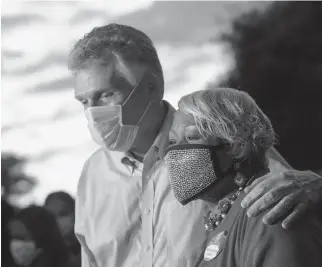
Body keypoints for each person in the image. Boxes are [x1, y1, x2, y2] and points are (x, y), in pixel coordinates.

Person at [68, 23, 322, 267]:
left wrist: (317, 185)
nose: (92, 112)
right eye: (83, 101)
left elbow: (294, 198)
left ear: (152, 88)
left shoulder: (218, 144)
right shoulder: (92, 176)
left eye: (106, 94)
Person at [164, 87, 322, 267]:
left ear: (236, 143)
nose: (176, 153)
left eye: (191, 137)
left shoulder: (270, 210)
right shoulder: (212, 222)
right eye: (172, 142)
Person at [44, 191, 81, 267]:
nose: (57, 220)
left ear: (74, 214)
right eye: (51, 216)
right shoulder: (44, 255)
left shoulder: (90, 250)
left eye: (63, 214)